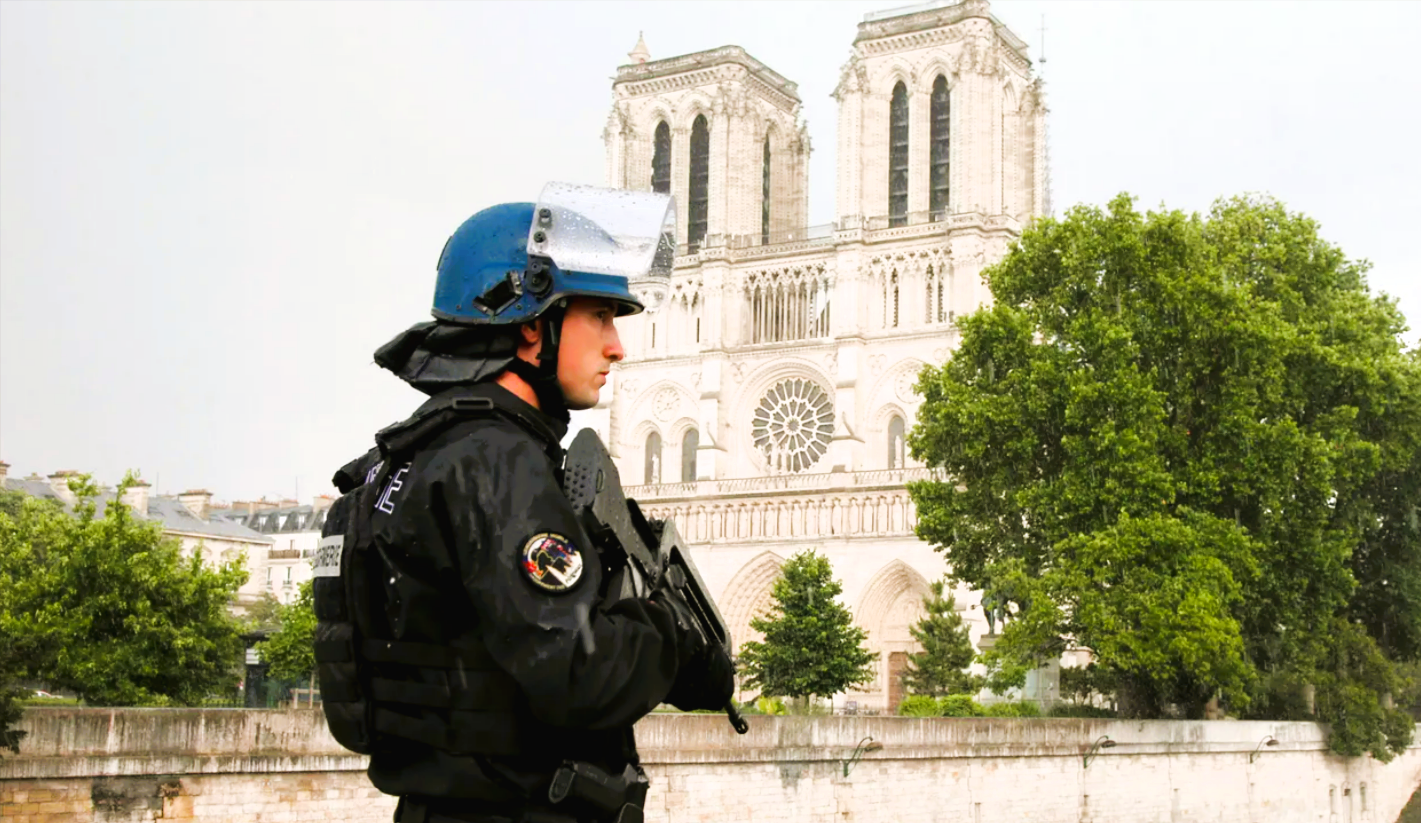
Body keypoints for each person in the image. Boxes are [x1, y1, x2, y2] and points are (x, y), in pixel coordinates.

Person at [313, 183, 734, 823]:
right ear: (532, 325)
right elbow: (579, 675)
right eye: (599, 316)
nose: (616, 345)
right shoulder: (498, 460)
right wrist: (670, 632)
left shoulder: (400, 459)